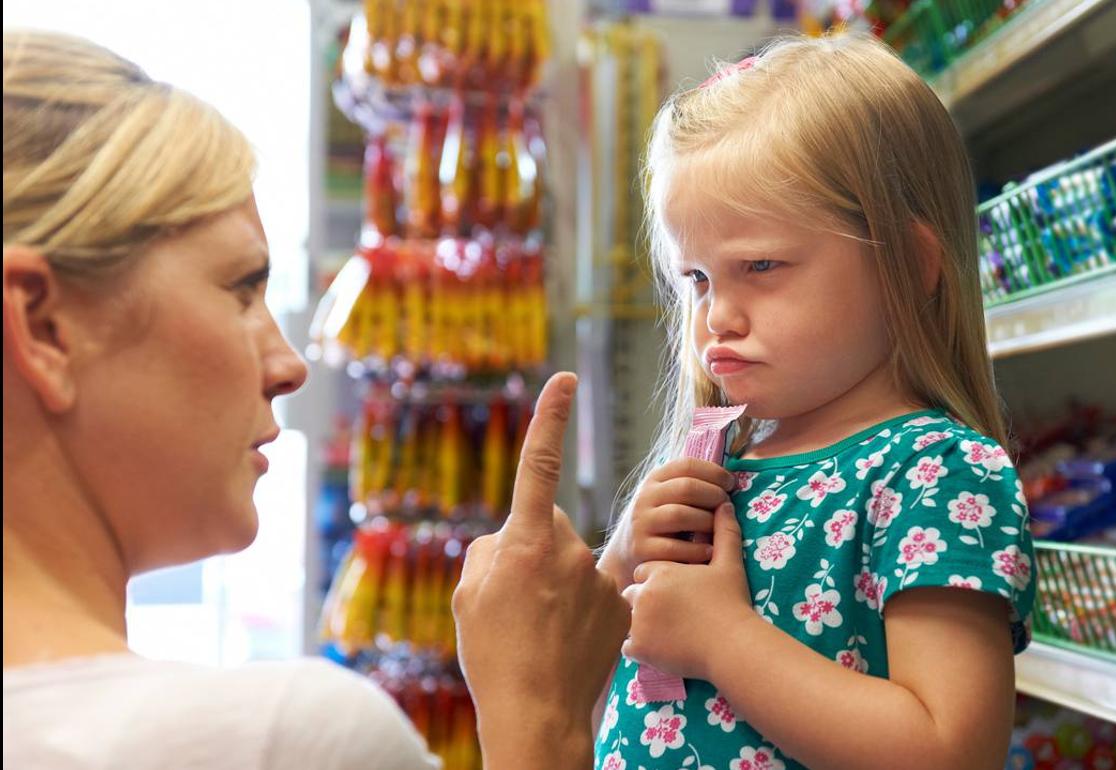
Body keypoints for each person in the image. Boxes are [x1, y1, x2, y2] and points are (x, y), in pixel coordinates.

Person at [2, 29, 626, 769]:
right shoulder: (280, 739)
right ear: (43, 326)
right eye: (241, 289)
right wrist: (541, 714)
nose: (289, 366)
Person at [594, 33, 1037, 770]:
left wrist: (722, 640)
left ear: (909, 265)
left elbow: (950, 750)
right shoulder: (726, 465)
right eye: (696, 278)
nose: (716, 316)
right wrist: (621, 561)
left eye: (761, 265)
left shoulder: (935, 472)